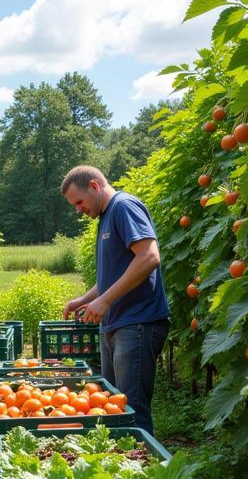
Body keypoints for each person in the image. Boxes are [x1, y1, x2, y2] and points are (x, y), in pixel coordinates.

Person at [61, 165, 170, 435]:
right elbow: (114, 275)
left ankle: (146, 475)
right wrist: (84, 299)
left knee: (131, 409)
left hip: (137, 323)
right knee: (113, 407)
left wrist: (106, 301)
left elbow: (149, 257)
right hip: (116, 325)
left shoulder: (124, 207)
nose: (78, 210)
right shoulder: (106, 217)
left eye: (79, 201)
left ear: (95, 187)